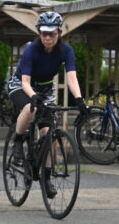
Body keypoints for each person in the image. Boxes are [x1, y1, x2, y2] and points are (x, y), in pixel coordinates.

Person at [6, 11, 87, 197]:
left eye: (52, 33)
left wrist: (80, 100)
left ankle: (46, 179)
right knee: (29, 108)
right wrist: (33, 96)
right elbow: (25, 81)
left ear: (59, 33)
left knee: (48, 134)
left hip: (45, 90)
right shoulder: (31, 50)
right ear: (39, 33)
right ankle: (17, 141)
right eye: (44, 33)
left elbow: (71, 78)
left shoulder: (67, 51)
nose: (48, 37)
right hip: (21, 86)